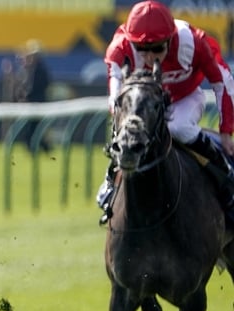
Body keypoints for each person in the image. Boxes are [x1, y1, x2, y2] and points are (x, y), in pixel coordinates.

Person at [97, 0, 234, 224]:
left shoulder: (195, 42)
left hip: (185, 99)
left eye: (157, 48)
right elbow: (114, 92)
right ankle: (111, 185)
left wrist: (226, 131)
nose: (150, 57)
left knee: (176, 127)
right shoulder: (119, 47)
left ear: (171, 39)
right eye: (142, 49)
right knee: (129, 134)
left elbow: (222, 82)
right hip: (144, 104)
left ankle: (225, 177)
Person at [15, 39, 52, 154]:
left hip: (38, 101)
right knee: (33, 126)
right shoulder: (32, 68)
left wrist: (28, 95)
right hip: (35, 100)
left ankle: (37, 147)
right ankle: (40, 147)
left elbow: (41, 85)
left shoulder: (40, 69)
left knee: (34, 127)